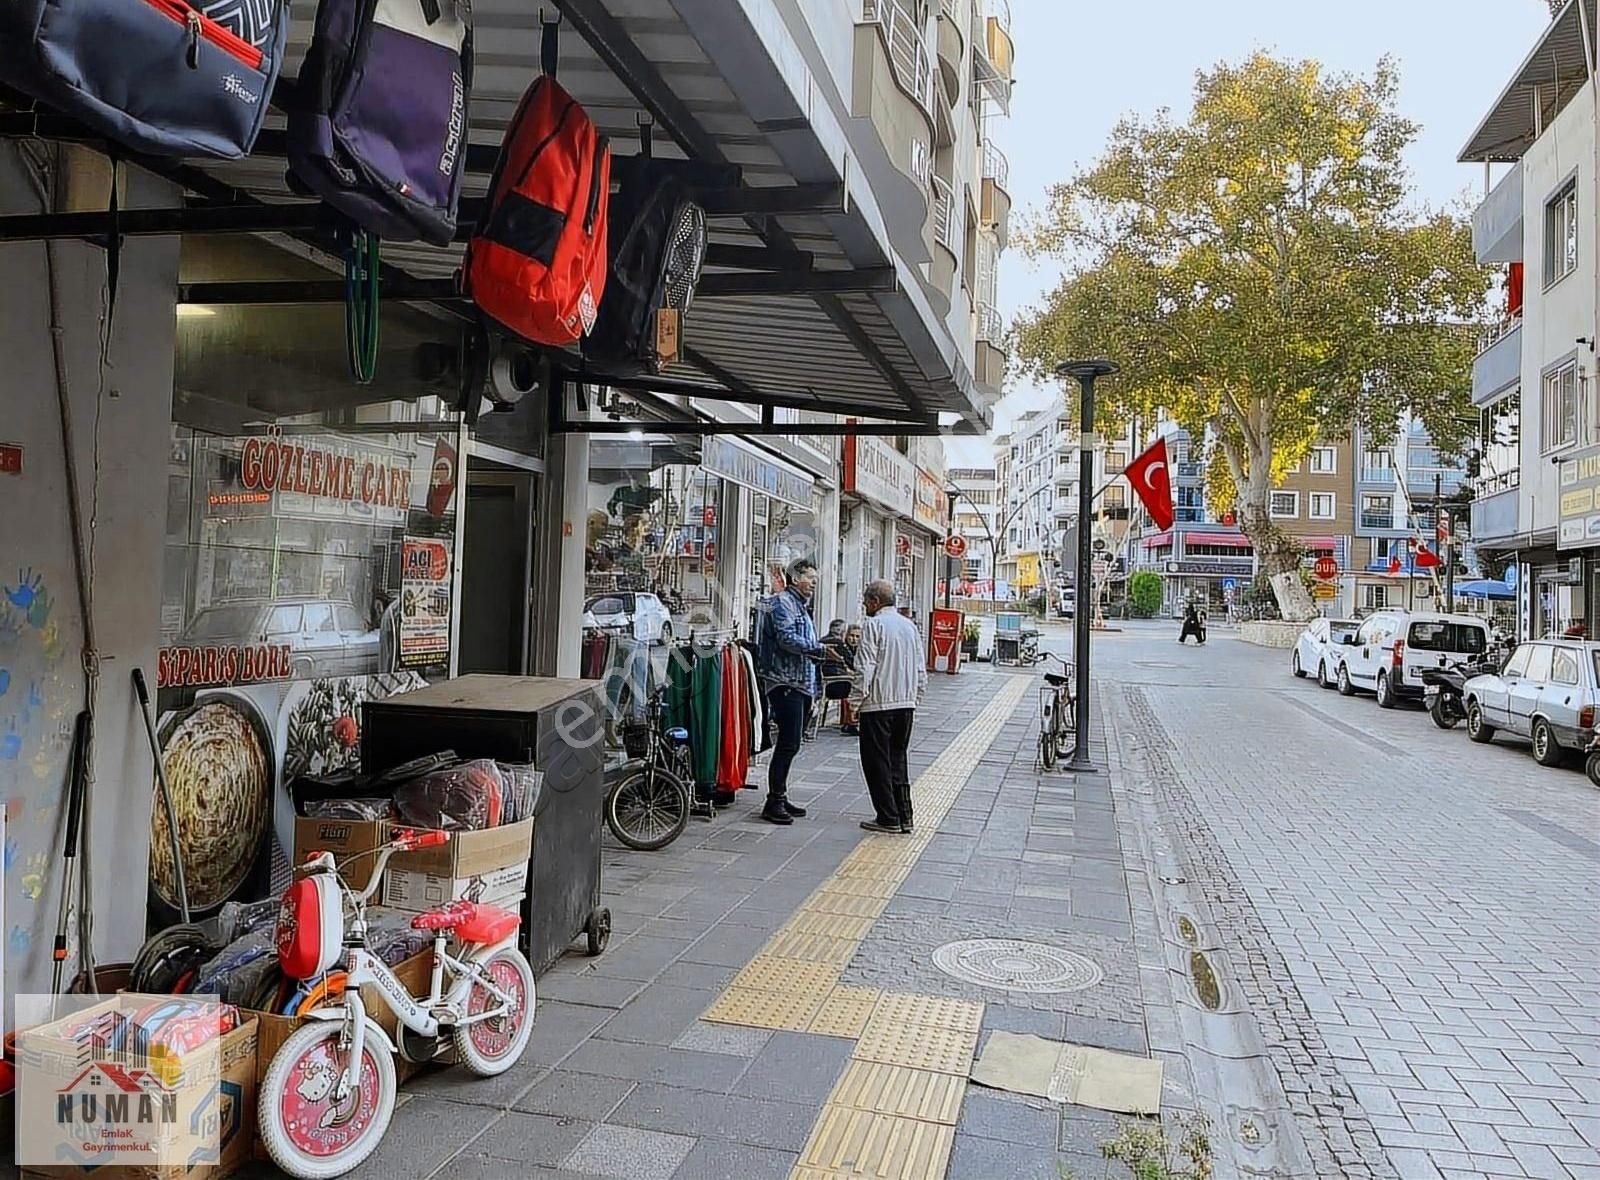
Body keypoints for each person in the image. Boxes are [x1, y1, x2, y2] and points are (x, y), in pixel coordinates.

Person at [850, 580, 927, 834]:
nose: (864, 605)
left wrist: (855, 701)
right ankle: (905, 814)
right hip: (906, 704)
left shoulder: (873, 626)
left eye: (865, 601)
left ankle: (887, 816)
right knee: (898, 758)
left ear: (875, 602)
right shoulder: (909, 626)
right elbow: (920, 668)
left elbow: (865, 668)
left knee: (876, 762)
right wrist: (916, 696)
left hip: (878, 704)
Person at [754, 558, 826, 825]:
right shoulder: (783, 603)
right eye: (811, 578)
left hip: (800, 683)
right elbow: (786, 639)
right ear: (796, 579)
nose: (814, 584)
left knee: (792, 743)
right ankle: (774, 801)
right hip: (786, 683)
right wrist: (818, 649)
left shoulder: (800, 606)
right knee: (788, 742)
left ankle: (780, 796)